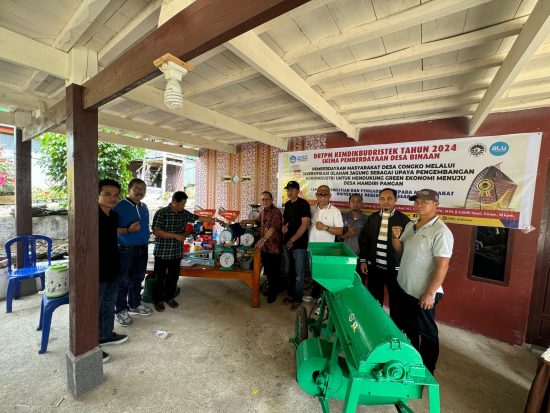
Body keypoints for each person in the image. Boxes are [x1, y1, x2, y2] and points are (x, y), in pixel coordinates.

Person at [391, 188, 454, 374]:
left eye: (425, 202)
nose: (419, 205)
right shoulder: (411, 225)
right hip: (404, 287)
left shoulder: (441, 231)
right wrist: (395, 237)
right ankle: (411, 361)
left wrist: (430, 293)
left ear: (436, 205)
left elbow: (443, 265)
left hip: (423, 292)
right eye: (417, 201)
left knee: (427, 333)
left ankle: (427, 371)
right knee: (407, 328)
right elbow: (400, 250)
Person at [359, 188, 410, 316]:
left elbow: (408, 246)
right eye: (382, 198)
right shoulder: (373, 218)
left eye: (389, 198)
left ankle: (394, 326)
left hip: (395, 270)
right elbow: (364, 240)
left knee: (396, 301)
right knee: (374, 299)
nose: (385, 201)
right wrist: (363, 261)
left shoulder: (403, 220)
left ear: (395, 200)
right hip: (374, 267)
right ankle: (375, 322)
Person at [113, 178, 153, 327]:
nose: (140, 192)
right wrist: (128, 230)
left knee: (138, 278)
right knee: (124, 281)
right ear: (129, 189)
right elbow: (110, 229)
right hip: (126, 249)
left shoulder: (144, 207)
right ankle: (120, 310)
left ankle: (135, 304)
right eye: (137, 188)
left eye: (143, 189)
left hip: (143, 247)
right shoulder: (118, 206)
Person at [98, 179, 128, 363]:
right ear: (98, 195)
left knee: (109, 302)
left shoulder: (114, 215)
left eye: (116, 195)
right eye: (107, 194)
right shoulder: (90, 214)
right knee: (96, 306)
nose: (113, 198)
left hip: (114, 264)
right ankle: (91, 345)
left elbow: (112, 236)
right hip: (97, 268)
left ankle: (105, 334)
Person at [151, 191, 197, 312]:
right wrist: (176, 236)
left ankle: (169, 297)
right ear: (174, 202)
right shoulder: (162, 213)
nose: (184, 206)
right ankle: (158, 300)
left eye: (185, 204)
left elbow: (197, 218)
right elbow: (156, 231)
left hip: (176, 252)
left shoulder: (184, 213)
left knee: (173, 277)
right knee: (159, 278)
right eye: (182, 204)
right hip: (162, 252)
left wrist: (215, 219)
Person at [304, 185, 343, 302]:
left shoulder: (335, 211)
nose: (322, 196)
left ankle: (325, 299)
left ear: (329, 196)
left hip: (327, 248)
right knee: (315, 273)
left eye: (325, 194)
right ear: (316, 195)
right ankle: (315, 296)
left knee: (325, 274)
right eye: (320, 194)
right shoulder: (311, 209)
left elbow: (340, 231)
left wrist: (325, 227)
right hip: (312, 247)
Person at [281, 180, 311, 310]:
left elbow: (304, 225)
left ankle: (298, 298)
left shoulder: (304, 204)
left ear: (298, 191)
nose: (289, 192)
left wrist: (292, 240)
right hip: (287, 243)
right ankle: (290, 295)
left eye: (292, 190)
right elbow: (285, 221)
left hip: (299, 244)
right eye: (288, 190)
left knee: (299, 274)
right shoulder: (287, 204)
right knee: (288, 271)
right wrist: (284, 227)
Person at [253, 191, 283, 303]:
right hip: (265, 248)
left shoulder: (276, 211)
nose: (265, 201)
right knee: (268, 271)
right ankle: (272, 289)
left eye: (267, 199)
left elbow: (273, 228)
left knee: (274, 272)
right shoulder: (263, 212)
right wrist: (240, 222)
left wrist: (263, 240)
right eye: (263, 199)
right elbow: (256, 222)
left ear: (272, 199)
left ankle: (273, 293)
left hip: (274, 247)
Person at [337, 193, 368, 281]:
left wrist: (364, 260)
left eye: (358, 201)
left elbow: (369, 241)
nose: (355, 203)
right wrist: (347, 234)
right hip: (345, 257)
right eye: (353, 201)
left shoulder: (367, 219)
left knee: (359, 282)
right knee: (345, 282)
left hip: (361, 259)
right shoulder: (343, 217)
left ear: (362, 204)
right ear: (349, 203)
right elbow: (338, 238)